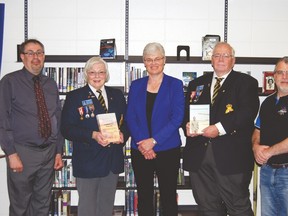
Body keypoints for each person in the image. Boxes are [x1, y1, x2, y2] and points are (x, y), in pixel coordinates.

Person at [183, 42, 259, 216]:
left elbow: (247, 113)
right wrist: (186, 125)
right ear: (211, 60)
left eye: (225, 56)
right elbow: (186, 113)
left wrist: (219, 128)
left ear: (233, 60)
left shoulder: (246, 82)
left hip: (231, 157)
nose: (221, 59)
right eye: (217, 55)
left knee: (238, 206)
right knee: (207, 206)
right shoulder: (197, 84)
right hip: (199, 157)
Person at [0, 39, 64, 216]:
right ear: (22, 57)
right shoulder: (9, 82)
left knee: (42, 203)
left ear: (44, 56)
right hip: (22, 152)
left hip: (49, 152)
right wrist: (11, 154)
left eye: (39, 53)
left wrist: (58, 151)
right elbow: (2, 120)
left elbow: (57, 118)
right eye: (30, 53)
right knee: (20, 205)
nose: (35, 57)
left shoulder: (50, 84)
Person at [61, 56, 129, 216]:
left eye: (101, 72)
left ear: (106, 75)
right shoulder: (75, 97)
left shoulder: (117, 95)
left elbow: (127, 122)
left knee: (106, 206)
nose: (97, 76)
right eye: (92, 72)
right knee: (87, 208)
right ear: (86, 75)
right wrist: (92, 135)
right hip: (87, 161)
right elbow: (66, 129)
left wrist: (123, 135)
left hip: (112, 160)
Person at [125, 42, 185, 216]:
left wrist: (153, 141)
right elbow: (130, 117)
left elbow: (177, 118)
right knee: (144, 196)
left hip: (167, 149)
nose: (153, 63)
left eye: (157, 59)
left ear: (164, 60)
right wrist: (144, 143)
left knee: (168, 196)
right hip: (140, 149)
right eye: (149, 59)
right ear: (144, 62)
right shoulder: (136, 85)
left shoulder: (175, 85)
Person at [252, 56, 288, 216]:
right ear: (274, 76)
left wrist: (269, 152)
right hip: (267, 172)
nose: (284, 77)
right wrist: (255, 147)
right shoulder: (266, 102)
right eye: (281, 72)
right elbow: (257, 130)